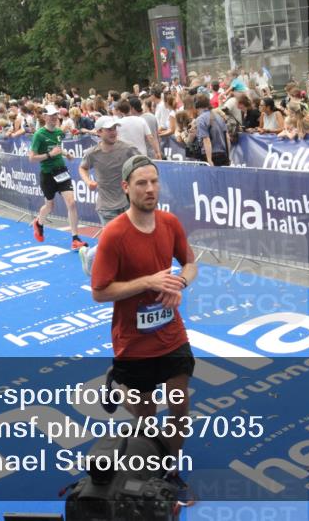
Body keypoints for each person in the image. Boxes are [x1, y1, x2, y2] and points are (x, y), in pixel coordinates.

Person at [91, 155, 198, 471]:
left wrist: (178, 282)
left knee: (179, 405)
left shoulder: (170, 223)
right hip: (134, 340)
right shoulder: (114, 234)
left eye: (154, 182)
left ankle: (169, 469)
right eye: (141, 183)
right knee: (146, 415)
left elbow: (191, 264)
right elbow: (99, 291)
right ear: (126, 187)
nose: (150, 189)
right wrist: (147, 282)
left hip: (171, 333)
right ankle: (121, 386)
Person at [78, 117, 138, 276]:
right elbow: (82, 168)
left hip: (127, 203)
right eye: (109, 129)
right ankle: (89, 255)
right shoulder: (92, 154)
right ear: (99, 132)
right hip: (106, 207)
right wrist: (87, 181)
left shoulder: (127, 148)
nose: (113, 132)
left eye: (114, 128)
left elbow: (141, 164)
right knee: (113, 241)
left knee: (130, 238)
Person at [29, 105, 86, 250]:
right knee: (50, 206)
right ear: (45, 117)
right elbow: (32, 158)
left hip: (61, 171)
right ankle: (39, 223)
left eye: (56, 115)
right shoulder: (39, 135)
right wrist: (50, 155)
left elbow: (57, 148)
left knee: (71, 203)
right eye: (51, 115)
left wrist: (66, 154)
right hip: (47, 174)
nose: (54, 118)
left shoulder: (59, 132)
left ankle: (75, 239)